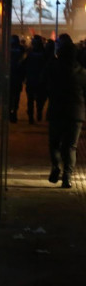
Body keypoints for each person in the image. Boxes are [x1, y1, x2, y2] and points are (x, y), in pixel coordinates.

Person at [45, 34, 86, 189]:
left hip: (56, 110)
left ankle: (56, 166)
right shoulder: (81, 72)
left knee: (54, 143)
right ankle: (67, 178)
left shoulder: (53, 68)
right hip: (75, 114)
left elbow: (44, 83)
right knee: (71, 146)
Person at [21, 35, 47, 124]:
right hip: (40, 80)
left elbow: (23, 65)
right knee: (39, 99)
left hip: (32, 79)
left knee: (30, 99)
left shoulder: (29, 53)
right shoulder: (44, 53)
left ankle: (31, 116)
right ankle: (38, 112)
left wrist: (23, 77)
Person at [8, 34, 25, 123]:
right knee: (16, 96)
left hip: (10, 75)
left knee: (10, 96)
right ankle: (14, 112)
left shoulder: (7, 47)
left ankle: (10, 112)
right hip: (18, 76)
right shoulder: (21, 49)